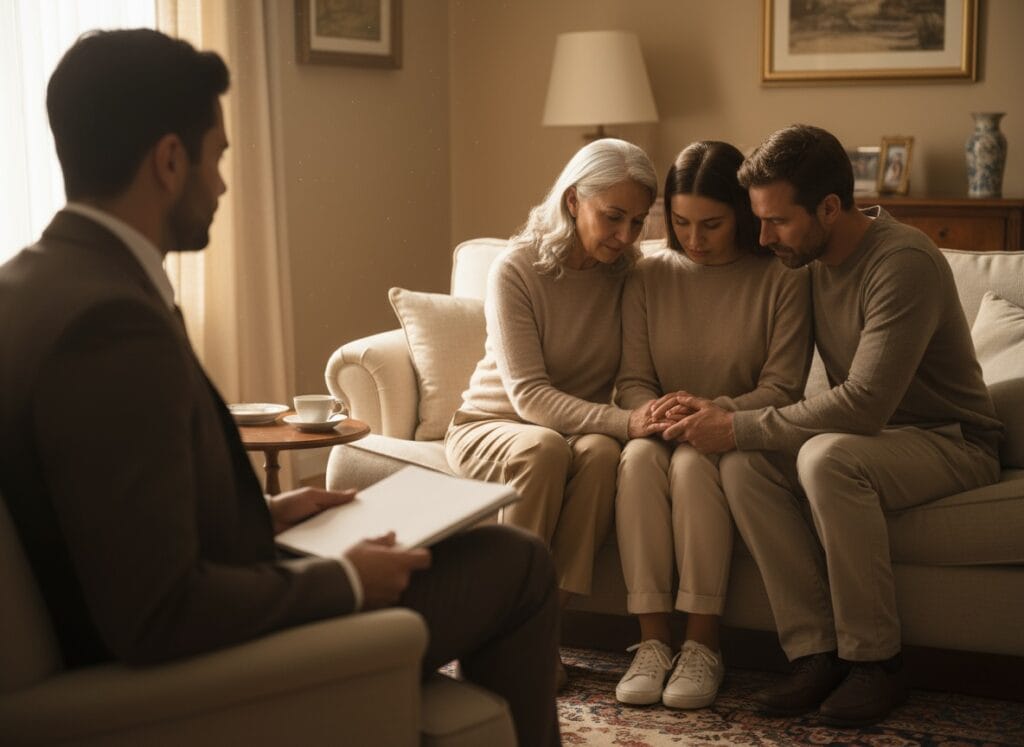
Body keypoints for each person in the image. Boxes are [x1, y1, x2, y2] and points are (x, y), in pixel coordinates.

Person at [0, 29, 560, 746]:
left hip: (167, 604)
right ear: (169, 161)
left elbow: (109, 515)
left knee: (492, 554)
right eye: (217, 157)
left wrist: (266, 517)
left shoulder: (31, 285)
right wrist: (348, 581)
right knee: (517, 562)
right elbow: (157, 613)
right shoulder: (110, 326)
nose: (221, 184)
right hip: (178, 670)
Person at [652, 124, 1002, 726]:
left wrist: (736, 425)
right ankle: (816, 653)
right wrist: (714, 414)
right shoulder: (806, 261)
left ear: (831, 208)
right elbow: (784, 388)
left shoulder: (903, 261)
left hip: (950, 440)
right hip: (871, 441)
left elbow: (864, 404)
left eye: (777, 221)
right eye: (758, 220)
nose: (763, 237)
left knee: (824, 457)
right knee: (744, 465)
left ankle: (876, 663)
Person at [444, 138, 662, 681]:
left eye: (637, 222)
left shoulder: (628, 273)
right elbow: (528, 397)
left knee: (603, 452)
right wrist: (627, 421)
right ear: (572, 201)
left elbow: (633, 376)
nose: (625, 236)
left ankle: (536, 633)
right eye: (613, 216)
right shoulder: (515, 268)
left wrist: (653, 415)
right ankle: (501, 638)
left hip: (573, 435)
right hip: (492, 426)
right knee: (545, 447)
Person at [613, 141, 812, 709]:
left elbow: (783, 388)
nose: (694, 239)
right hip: (660, 429)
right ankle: (653, 642)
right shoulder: (647, 274)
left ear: (743, 215)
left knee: (695, 462)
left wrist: (713, 411)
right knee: (637, 459)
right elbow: (632, 378)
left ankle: (703, 643)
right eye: (680, 223)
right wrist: (656, 414)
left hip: (737, 431)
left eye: (711, 224)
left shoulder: (783, 278)